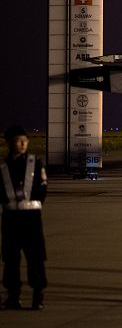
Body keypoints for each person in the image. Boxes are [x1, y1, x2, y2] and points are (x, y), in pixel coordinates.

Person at [1, 126, 47, 310]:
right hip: (10, 217)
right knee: (11, 259)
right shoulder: (3, 166)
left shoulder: (35, 163)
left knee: (35, 257)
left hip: (31, 218)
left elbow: (42, 188)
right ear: (10, 143)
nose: (22, 144)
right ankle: (13, 296)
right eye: (18, 141)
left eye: (24, 141)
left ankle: (38, 295)